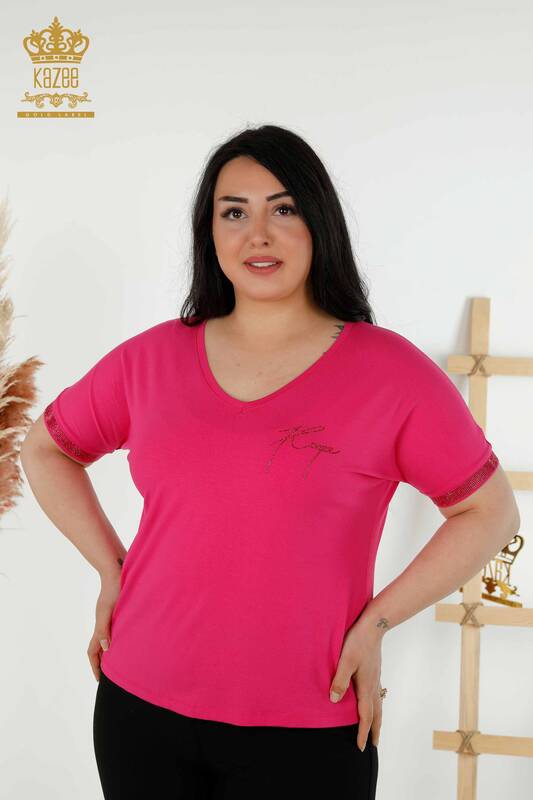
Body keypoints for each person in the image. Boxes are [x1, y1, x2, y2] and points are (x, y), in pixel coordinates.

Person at [20, 124, 519, 800]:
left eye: (282, 209)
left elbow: (489, 513)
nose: (258, 234)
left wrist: (376, 622)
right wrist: (113, 569)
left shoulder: (391, 374)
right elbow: (47, 449)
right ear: (210, 234)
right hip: (139, 707)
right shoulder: (151, 359)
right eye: (234, 213)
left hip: (310, 723)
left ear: (318, 223)